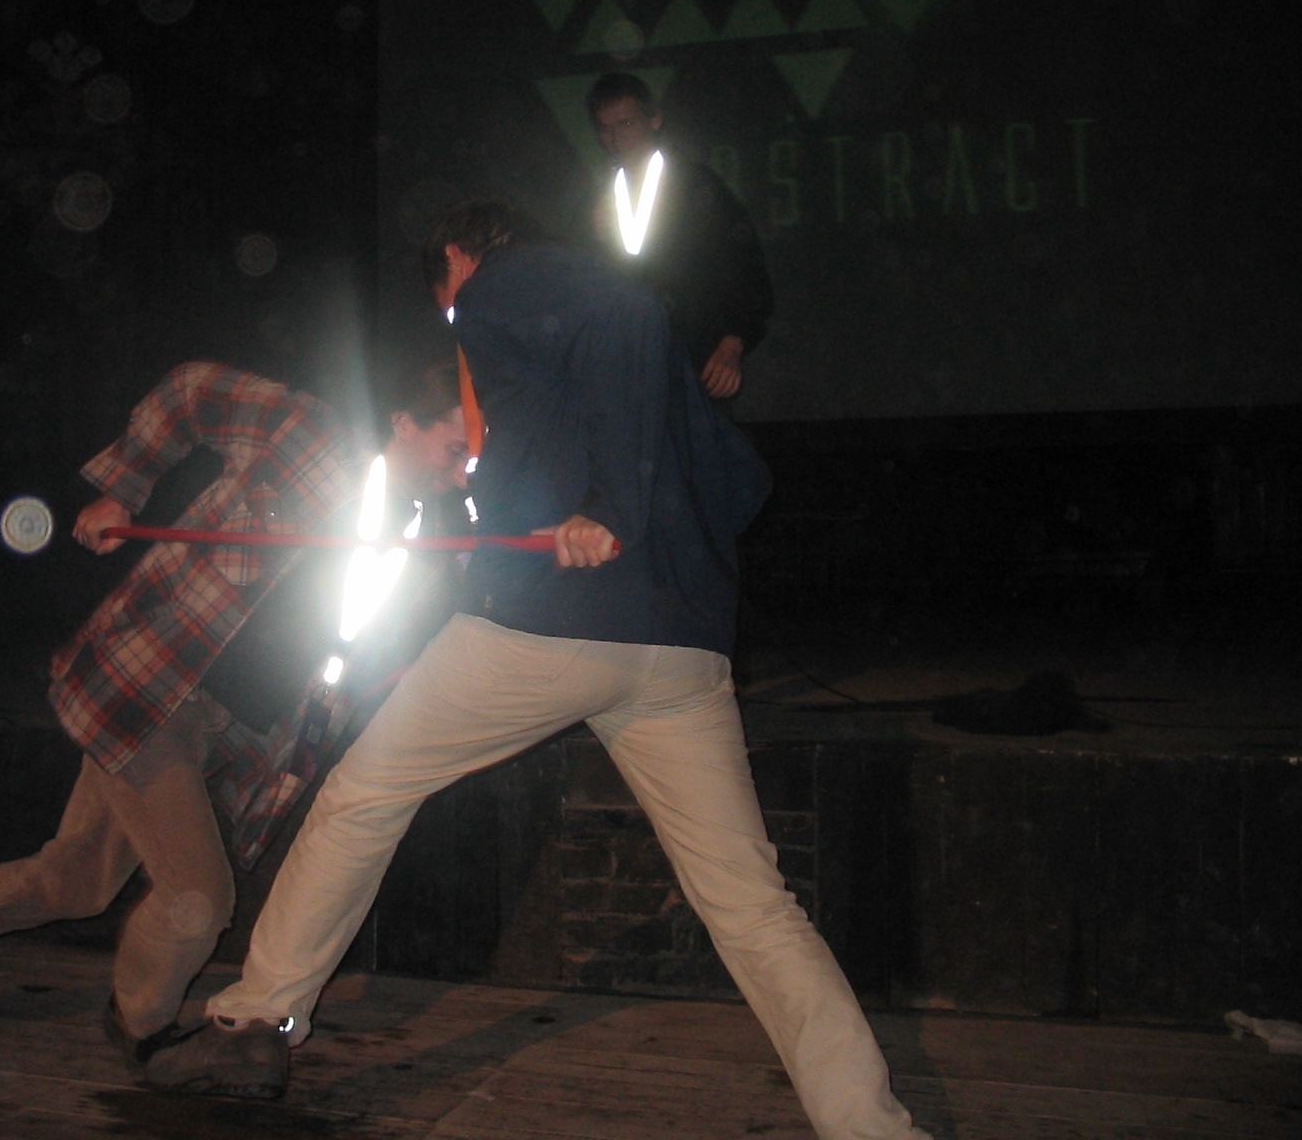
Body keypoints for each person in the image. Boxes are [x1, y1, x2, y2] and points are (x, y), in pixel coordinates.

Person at [162, 201, 930, 1140]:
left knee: (363, 794)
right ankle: (873, 1128)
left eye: (445, 296)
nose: (455, 320)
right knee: (753, 905)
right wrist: (658, 549)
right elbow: (744, 480)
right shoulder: (633, 357)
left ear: (458, 255)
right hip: (681, 652)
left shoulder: (505, 282)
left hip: (550, 628)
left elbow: (626, 315)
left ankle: (253, 1024)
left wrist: (610, 511)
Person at [0, 355, 470, 1087]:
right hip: (151, 688)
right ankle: (143, 1027)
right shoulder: (309, 434)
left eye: (470, 462)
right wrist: (121, 491)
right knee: (199, 897)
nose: (460, 475)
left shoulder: (424, 536)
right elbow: (189, 391)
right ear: (404, 423)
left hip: (238, 731)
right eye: (454, 451)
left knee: (73, 881)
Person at [576, 71, 773, 402]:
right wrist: (593, 240)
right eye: (605, 129)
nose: (616, 138)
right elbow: (577, 288)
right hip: (623, 374)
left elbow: (747, 272)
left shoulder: (698, 187)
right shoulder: (592, 199)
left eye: (627, 123)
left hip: (696, 365)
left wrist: (732, 344)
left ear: (655, 119)